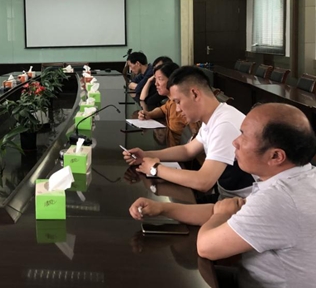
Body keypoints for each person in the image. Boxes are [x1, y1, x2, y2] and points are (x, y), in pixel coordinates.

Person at [129, 103, 316, 288]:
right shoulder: (298, 178)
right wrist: (162, 208)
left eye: (244, 136)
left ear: (275, 156)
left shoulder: (278, 200)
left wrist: (221, 214)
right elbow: (224, 210)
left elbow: (206, 246)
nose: (235, 142)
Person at [123, 66, 254, 198]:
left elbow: (204, 181)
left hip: (243, 203)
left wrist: (155, 169)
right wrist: (145, 155)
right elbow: (187, 150)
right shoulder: (214, 117)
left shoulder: (225, 125)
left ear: (194, 94)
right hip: (228, 199)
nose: (178, 109)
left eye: (178, 102)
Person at [137, 62, 197, 147]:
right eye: (155, 80)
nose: (156, 84)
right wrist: (149, 114)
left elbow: (195, 138)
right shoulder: (171, 101)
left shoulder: (185, 106)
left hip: (179, 151)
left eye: (160, 79)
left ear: (173, 80)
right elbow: (162, 109)